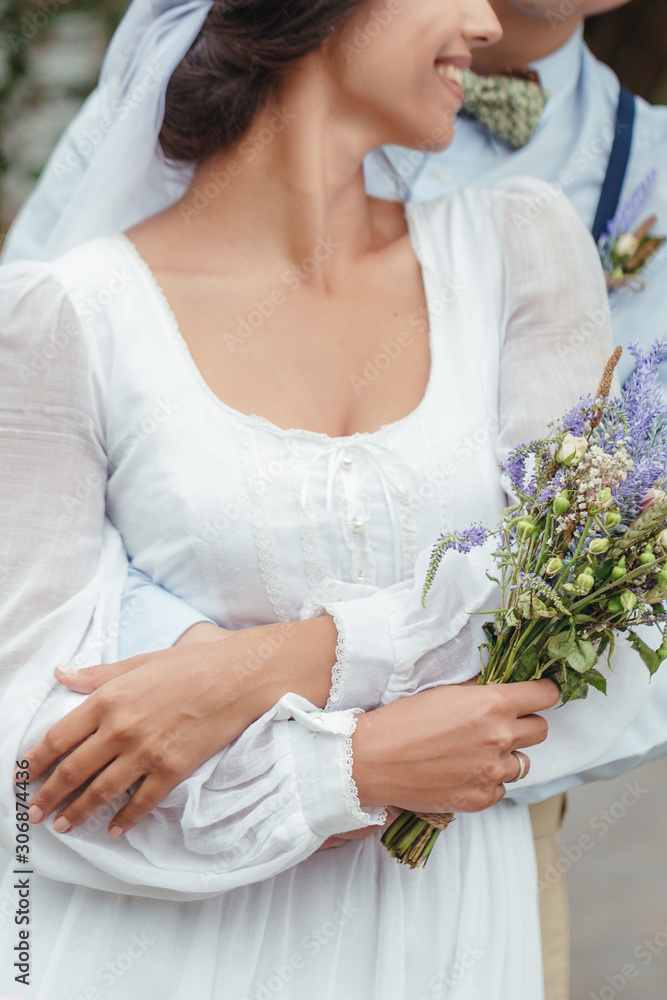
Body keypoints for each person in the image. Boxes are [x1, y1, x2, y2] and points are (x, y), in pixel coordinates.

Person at [0, 1, 660, 998]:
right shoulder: (69, 312)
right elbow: (31, 746)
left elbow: (590, 623)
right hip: (142, 952)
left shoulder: (519, 251)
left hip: (442, 940)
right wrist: (344, 768)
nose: (485, 20)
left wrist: (280, 661)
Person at [366, 4, 667, 995]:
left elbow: (627, 532)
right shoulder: (254, 61)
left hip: (479, 800)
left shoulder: (644, 164)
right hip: (217, 740)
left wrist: (463, 733)